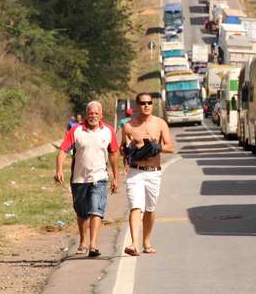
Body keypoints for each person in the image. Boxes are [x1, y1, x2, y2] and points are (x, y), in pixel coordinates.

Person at [55, 101, 119, 257]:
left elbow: (114, 154)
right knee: (82, 212)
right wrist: (59, 169)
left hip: (99, 178)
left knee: (96, 210)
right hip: (79, 179)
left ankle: (93, 245)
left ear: (101, 115)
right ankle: (83, 241)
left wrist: (116, 177)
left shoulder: (108, 131)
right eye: (91, 113)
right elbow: (63, 150)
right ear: (86, 114)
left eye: (96, 113)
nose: (93, 116)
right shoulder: (76, 130)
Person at [121, 92, 173, 256]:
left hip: (153, 172)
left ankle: (146, 241)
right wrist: (129, 150)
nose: (146, 105)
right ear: (137, 105)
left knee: (150, 209)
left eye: (149, 102)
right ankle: (134, 244)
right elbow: (123, 149)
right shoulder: (129, 126)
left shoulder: (160, 124)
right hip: (136, 172)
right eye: (143, 103)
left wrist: (157, 148)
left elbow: (170, 147)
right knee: (136, 206)